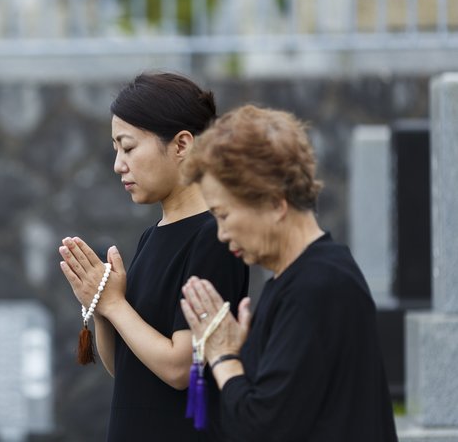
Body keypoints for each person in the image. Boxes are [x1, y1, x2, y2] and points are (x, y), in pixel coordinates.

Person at [180, 104, 398, 441]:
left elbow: (261, 427)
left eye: (223, 215)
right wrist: (243, 358)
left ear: (274, 204)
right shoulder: (303, 276)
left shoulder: (317, 286)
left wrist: (222, 356)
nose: (221, 234)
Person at [58, 72, 249, 441]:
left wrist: (115, 305)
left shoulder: (213, 237)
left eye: (128, 148)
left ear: (181, 145)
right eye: (116, 149)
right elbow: (123, 367)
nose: (118, 164)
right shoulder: (151, 237)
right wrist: (98, 303)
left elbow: (180, 367)